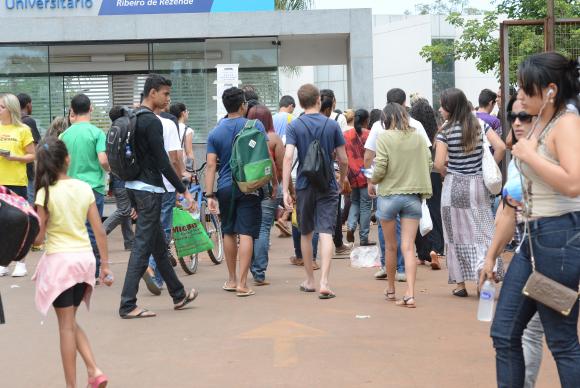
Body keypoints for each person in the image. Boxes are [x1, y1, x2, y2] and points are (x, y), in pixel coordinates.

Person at [487, 52, 580, 388]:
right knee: (504, 332)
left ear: (551, 90)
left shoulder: (566, 122)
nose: (520, 96)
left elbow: (573, 183)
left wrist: (527, 155)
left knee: (561, 341)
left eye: (527, 89)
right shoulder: (542, 120)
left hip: (558, 242)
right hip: (533, 241)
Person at [32, 137, 111, 388]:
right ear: (67, 159)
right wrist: (105, 265)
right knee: (71, 320)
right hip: (85, 261)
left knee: (65, 326)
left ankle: (72, 385)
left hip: (60, 264)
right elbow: (99, 230)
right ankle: (94, 370)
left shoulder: (44, 193)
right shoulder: (84, 187)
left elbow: (39, 238)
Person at [120, 73, 197, 318]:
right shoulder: (151, 122)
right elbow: (163, 162)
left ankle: (178, 294)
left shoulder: (132, 117)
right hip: (149, 191)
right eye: (165, 93)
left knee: (158, 247)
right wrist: (183, 190)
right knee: (142, 248)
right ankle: (127, 304)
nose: (168, 99)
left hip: (134, 186)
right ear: (152, 92)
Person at [480, 95, 544, 388]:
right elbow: (507, 212)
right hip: (529, 254)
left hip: (549, 259)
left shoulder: (546, 151)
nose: (517, 123)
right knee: (520, 333)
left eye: (525, 117)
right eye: (513, 117)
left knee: (557, 339)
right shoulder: (522, 154)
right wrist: (491, 256)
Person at [434, 87, 505, 297]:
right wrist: (488, 166)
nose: (439, 109)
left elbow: (438, 163)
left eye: (442, 105)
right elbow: (500, 147)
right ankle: (484, 277)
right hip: (477, 186)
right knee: (483, 233)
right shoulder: (480, 125)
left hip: (453, 186)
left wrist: (448, 170)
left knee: (455, 236)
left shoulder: (444, 131)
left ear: (450, 107)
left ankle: (460, 284)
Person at [283, 83, 348, 299]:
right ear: (318, 100)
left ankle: (310, 280)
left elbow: (288, 157)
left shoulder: (295, 126)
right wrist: (343, 179)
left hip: (303, 184)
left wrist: (285, 189)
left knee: (306, 232)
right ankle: (325, 282)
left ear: (300, 102)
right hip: (328, 183)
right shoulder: (332, 125)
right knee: (326, 233)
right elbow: (343, 158)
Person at [205, 87, 271, 297]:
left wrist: (209, 195)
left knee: (229, 231)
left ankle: (232, 280)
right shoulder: (255, 125)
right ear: (243, 105)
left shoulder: (215, 132)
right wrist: (273, 182)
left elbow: (210, 166)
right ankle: (243, 283)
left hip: (225, 187)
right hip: (250, 186)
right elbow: (265, 155)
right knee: (247, 233)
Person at [365, 88, 432, 281]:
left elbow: (371, 156)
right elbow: (428, 158)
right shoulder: (417, 128)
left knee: (389, 239)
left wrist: (372, 179)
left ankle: (390, 278)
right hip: (412, 192)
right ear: (404, 105)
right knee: (408, 244)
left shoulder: (380, 129)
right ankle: (408, 285)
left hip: (387, 191)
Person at [59, 94, 110, 279]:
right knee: (93, 229)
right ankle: (93, 272)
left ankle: (75, 270)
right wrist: (109, 169)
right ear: (91, 109)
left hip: (69, 188)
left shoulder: (64, 135)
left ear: (72, 110)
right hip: (93, 188)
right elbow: (103, 159)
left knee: (74, 229)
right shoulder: (97, 133)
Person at [143, 98, 184, 294]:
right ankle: (154, 272)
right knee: (164, 230)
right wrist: (180, 180)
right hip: (166, 185)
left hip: (146, 185)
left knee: (151, 227)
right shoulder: (168, 125)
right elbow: (174, 158)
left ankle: (150, 268)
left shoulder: (141, 122)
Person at [247, 104, 284, 286]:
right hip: (269, 187)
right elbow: (281, 165)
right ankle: (259, 272)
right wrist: (281, 187)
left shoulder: (245, 136)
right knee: (263, 228)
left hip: (248, 187)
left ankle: (251, 266)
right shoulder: (273, 138)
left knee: (250, 229)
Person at [0, 93, 35, 277]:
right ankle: (3, 262)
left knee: (19, 223)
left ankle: (21, 263)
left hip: (17, 182)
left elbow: (32, 155)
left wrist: (13, 157)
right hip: (0, 183)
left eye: (2, 107)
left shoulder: (23, 129)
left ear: (11, 109)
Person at [410, 98, 444, 270]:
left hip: (417, 173)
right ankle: (436, 250)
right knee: (434, 209)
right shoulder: (436, 131)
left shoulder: (413, 128)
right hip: (434, 173)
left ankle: (422, 254)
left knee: (419, 211)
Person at [320, 89, 351, 257]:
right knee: (335, 204)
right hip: (334, 167)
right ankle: (337, 242)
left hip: (312, 168)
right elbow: (343, 150)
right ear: (332, 104)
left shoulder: (306, 119)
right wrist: (344, 176)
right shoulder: (339, 120)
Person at [102, 107, 134, 252]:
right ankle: (100, 232)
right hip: (122, 177)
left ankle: (129, 242)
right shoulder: (124, 130)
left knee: (125, 210)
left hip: (115, 177)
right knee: (124, 210)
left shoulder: (114, 131)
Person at [344, 109, 375, 246]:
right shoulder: (369, 134)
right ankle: (363, 238)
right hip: (365, 174)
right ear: (366, 120)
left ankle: (350, 226)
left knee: (355, 202)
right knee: (366, 206)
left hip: (351, 175)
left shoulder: (345, 134)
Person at [17, 93, 41, 205]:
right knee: (29, 203)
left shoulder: (13, 122)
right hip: (28, 170)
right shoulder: (28, 121)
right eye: (31, 104)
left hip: (16, 171)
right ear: (28, 105)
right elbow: (36, 147)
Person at [169, 102, 195, 175]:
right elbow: (189, 153)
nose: (188, 113)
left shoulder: (169, 127)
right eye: (187, 111)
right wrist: (193, 172)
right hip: (182, 169)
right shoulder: (187, 130)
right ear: (183, 113)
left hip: (169, 167)